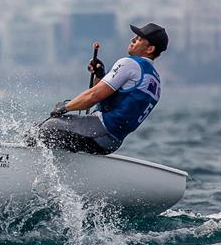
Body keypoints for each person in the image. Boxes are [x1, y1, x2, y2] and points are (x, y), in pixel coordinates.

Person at [31, 23, 168, 155]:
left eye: (138, 39)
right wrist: (100, 75)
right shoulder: (155, 80)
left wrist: (64, 107)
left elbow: (93, 96)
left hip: (97, 131)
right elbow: (107, 98)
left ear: (150, 49)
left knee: (46, 127)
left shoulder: (130, 64)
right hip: (111, 143)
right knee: (57, 134)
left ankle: (21, 162)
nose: (132, 39)